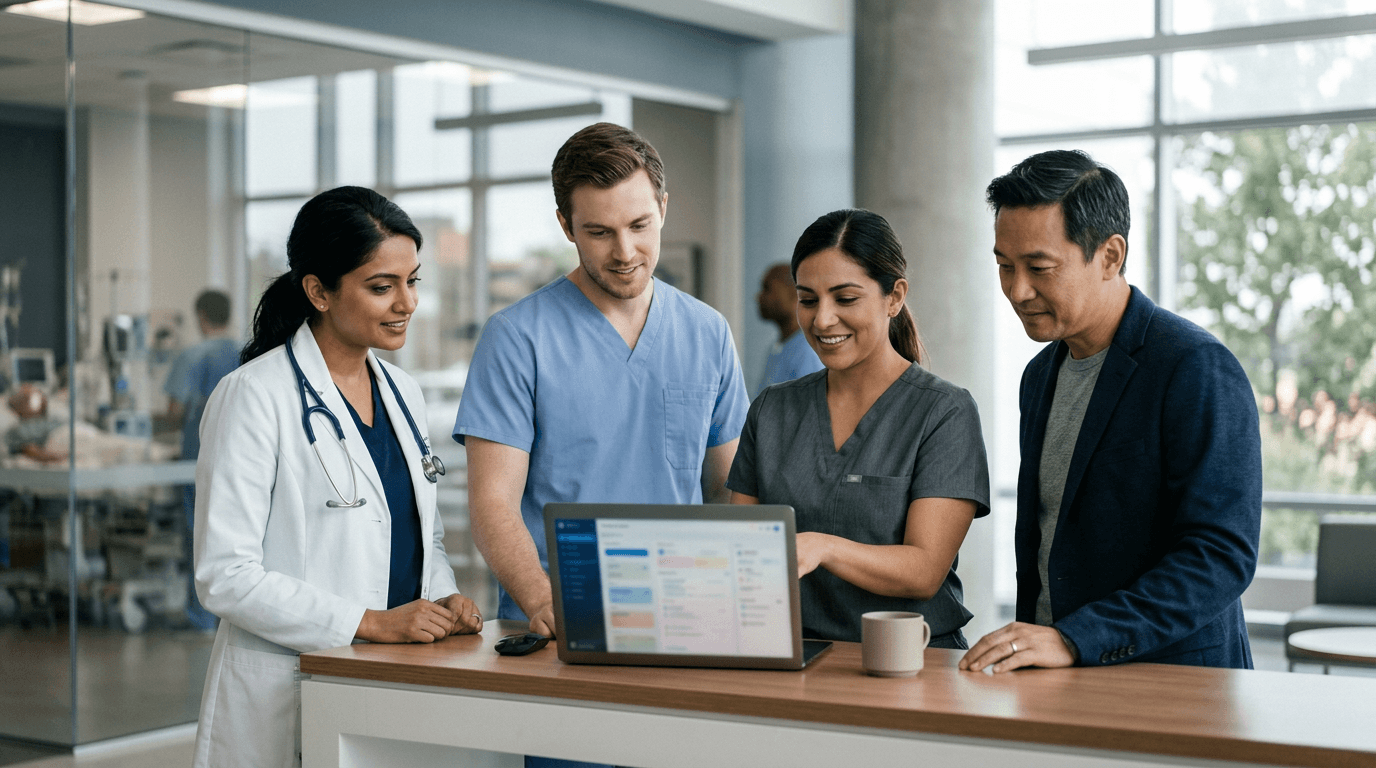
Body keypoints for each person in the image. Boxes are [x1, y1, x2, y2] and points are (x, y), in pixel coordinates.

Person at [192, 187, 482, 768]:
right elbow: (224, 575)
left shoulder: (403, 393)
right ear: (319, 292)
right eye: (381, 287)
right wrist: (367, 623)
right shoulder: (254, 395)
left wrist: (442, 596)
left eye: (412, 281)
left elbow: (419, 534)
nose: (407, 303)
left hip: (393, 679)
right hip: (290, 687)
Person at [961, 150, 1261, 674]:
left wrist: (1077, 638)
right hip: (1058, 677)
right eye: (1005, 266)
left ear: (1110, 256)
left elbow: (1219, 555)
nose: (1017, 291)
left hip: (1171, 680)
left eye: (1039, 268)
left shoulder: (1193, 366)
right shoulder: (1039, 375)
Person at [455, 122, 749, 635]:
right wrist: (545, 603)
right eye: (600, 232)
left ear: (663, 208)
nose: (625, 252)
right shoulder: (516, 338)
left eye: (639, 225)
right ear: (566, 226)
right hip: (555, 626)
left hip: (681, 616)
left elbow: (727, 492)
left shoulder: (708, 332)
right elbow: (492, 503)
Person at [728, 209, 990, 647]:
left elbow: (925, 571)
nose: (822, 319)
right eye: (808, 300)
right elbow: (741, 549)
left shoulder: (944, 412)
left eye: (845, 299)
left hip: (909, 662)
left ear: (894, 297)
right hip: (791, 655)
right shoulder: (772, 410)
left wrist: (824, 547)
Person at [164, 289, 239, 631]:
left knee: (199, 534)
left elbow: (175, 410)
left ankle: (200, 616)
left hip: (199, 456)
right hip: (239, 457)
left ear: (201, 317)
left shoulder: (193, 356)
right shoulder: (247, 352)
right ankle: (230, 614)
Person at [754, 262, 824, 396]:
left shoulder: (808, 351)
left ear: (796, 294)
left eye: (767, 288)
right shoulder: (779, 349)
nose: (758, 297)